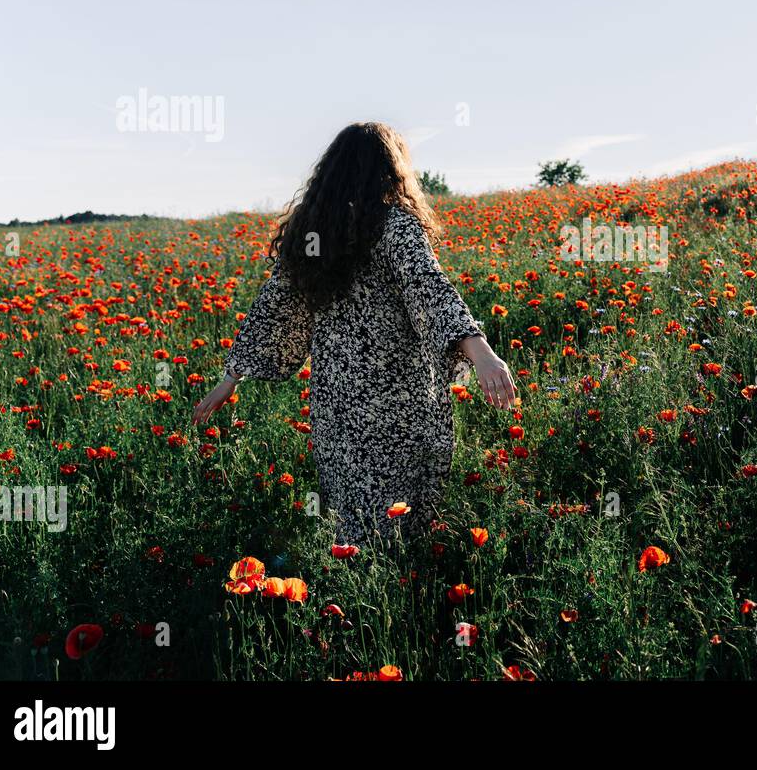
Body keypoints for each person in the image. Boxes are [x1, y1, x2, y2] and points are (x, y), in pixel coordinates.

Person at [192, 121, 516, 544]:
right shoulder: (395, 225)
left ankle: (357, 588)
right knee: (399, 518)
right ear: (390, 170)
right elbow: (432, 288)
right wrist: (483, 353)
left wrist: (229, 378)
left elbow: (271, 307)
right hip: (396, 396)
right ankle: (394, 592)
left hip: (336, 400)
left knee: (355, 511)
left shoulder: (313, 232)